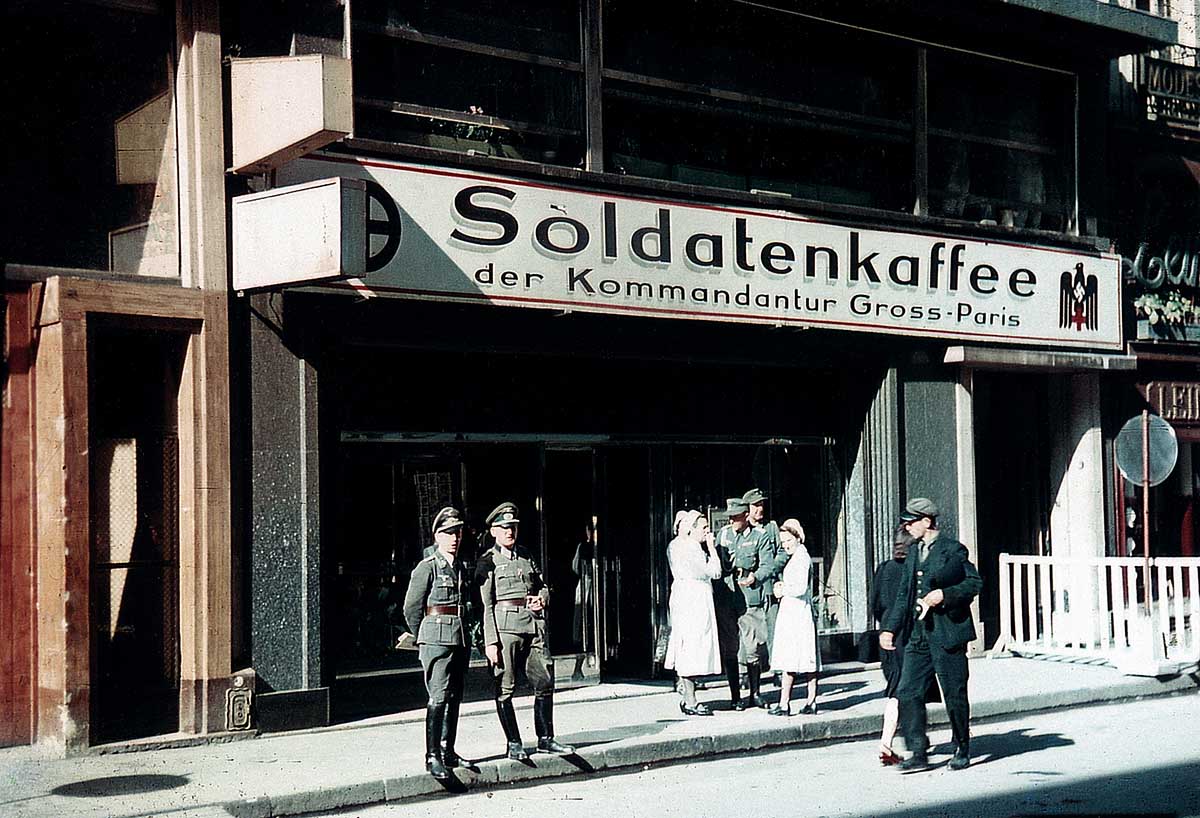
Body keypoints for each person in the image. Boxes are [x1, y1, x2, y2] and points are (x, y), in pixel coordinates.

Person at [880, 498, 982, 771]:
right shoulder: (914, 552)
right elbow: (904, 595)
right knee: (907, 690)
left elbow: (974, 583)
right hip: (919, 634)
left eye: (911, 522)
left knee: (954, 693)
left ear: (927, 521)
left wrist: (944, 595)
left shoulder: (953, 550)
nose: (907, 527)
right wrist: (890, 628)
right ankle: (918, 752)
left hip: (948, 633)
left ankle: (962, 746)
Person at [476, 501, 574, 760]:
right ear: (494, 531)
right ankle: (514, 743)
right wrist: (491, 642)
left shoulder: (526, 556)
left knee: (544, 682)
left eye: (513, 527)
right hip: (505, 629)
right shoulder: (488, 561)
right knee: (505, 688)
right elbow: (486, 604)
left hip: (533, 626)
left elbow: (542, 586)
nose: (510, 531)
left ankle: (546, 739)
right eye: (505, 527)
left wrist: (542, 599)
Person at [403, 506, 470, 780]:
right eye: (447, 533)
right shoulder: (428, 567)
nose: (453, 538)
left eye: (457, 532)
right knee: (439, 696)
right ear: (436, 536)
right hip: (436, 640)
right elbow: (411, 607)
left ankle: (448, 750)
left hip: (459, 639)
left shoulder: (460, 566)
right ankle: (432, 756)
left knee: (454, 696)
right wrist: (425, 635)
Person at [727, 492, 784, 709]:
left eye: (762, 505)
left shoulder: (767, 530)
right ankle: (738, 689)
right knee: (734, 645)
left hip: (758, 592)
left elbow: (775, 557)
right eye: (756, 506)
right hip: (732, 597)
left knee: (760, 640)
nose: (760, 509)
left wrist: (761, 576)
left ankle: (760, 687)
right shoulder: (725, 534)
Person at [665, 509, 723, 716]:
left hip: (683, 597)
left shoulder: (675, 546)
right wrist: (711, 549)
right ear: (691, 529)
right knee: (693, 647)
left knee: (686, 645)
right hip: (695, 600)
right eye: (704, 527)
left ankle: (687, 696)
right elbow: (715, 572)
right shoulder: (692, 548)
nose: (707, 531)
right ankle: (690, 700)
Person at [870, 525, 915, 765]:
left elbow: (875, 604)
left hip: (886, 635)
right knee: (903, 691)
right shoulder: (913, 570)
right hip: (906, 636)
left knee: (895, 689)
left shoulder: (884, 569)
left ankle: (890, 741)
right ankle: (887, 742)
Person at [768, 519, 820, 716]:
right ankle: (807, 701)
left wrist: (782, 590)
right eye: (783, 542)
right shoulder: (797, 556)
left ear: (798, 537)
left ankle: (787, 703)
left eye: (789, 540)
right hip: (793, 611)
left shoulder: (801, 558)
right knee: (802, 657)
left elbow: (799, 588)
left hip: (797, 612)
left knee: (798, 657)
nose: (786, 545)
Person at [712, 498, 750, 709]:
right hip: (726, 597)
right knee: (731, 647)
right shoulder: (723, 534)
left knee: (751, 644)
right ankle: (736, 696)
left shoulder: (755, 535)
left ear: (745, 515)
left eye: (736, 516)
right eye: (731, 517)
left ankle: (754, 692)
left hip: (746, 595)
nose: (732, 520)